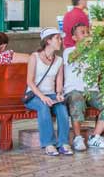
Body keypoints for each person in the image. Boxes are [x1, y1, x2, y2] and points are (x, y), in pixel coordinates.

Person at [62, 23, 104, 151]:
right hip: (73, 91)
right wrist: (84, 46)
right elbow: (71, 59)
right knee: (77, 99)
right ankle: (78, 138)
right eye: (82, 32)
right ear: (74, 37)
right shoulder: (69, 51)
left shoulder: (95, 54)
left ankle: (94, 137)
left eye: (87, 32)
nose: (86, 35)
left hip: (92, 91)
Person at [24, 28, 73, 156]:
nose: (60, 41)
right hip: (34, 94)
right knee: (43, 106)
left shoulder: (59, 60)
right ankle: (49, 144)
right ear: (48, 41)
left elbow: (59, 81)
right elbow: (30, 82)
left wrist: (59, 94)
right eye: (57, 38)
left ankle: (63, 143)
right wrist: (42, 97)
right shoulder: (34, 57)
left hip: (51, 94)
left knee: (62, 108)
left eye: (60, 38)